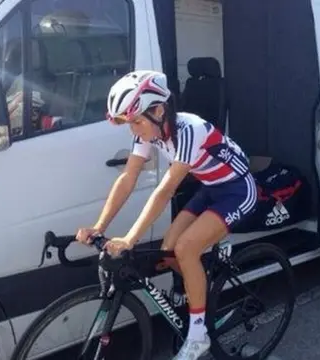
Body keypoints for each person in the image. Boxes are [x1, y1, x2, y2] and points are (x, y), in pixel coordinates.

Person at [75, 70, 257, 360]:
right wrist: (99, 226)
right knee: (169, 249)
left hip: (237, 189)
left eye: (136, 121)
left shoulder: (189, 129)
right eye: (128, 123)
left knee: (185, 249)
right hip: (211, 187)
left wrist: (130, 239)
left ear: (159, 110)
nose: (133, 129)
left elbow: (165, 190)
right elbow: (128, 177)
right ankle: (201, 280)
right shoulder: (150, 129)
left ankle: (199, 337)